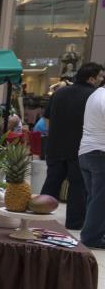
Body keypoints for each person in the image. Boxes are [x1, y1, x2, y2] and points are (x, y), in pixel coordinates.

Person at [41, 63, 103, 230]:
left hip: (55, 146)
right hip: (79, 147)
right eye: (100, 77)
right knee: (78, 187)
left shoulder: (59, 93)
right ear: (91, 78)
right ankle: (75, 223)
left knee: (52, 182)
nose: (101, 80)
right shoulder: (94, 96)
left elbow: (46, 120)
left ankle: (41, 217)